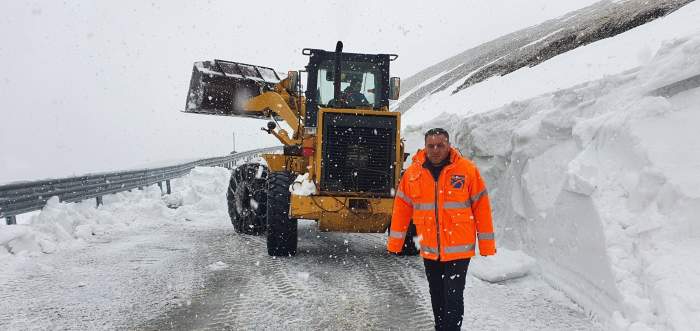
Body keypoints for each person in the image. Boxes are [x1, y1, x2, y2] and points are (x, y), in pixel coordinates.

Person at [387, 128, 496, 331]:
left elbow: (481, 208)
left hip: (459, 249)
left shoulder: (467, 171)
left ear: (448, 145)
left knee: (453, 295)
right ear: (425, 147)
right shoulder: (413, 174)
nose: (436, 150)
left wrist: (487, 244)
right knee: (436, 294)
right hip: (429, 248)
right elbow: (401, 210)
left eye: (440, 145)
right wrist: (395, 242)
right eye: (431, 145)